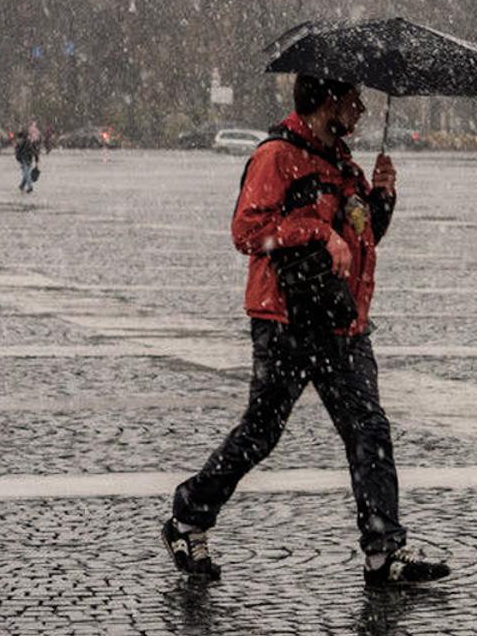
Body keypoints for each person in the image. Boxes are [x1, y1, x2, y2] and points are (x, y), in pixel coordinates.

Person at [162, 74, 449, 588]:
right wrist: (315, 230)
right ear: (326, 101)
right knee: (261, 433)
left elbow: (361, 238)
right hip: (286, 321)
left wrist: (381, 198)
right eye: (353, 99)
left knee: (370, 432)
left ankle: (383, 551)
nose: (361, 108)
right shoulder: (276, 155)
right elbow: (247, 232)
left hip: (342, 323)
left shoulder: (343, 164)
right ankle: (189, 516)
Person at [14, 123, 41, 193]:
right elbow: (33, 150)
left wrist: (18, 157)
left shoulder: (22, 142)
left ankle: (29, 186)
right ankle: (22, 185)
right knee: (26, 172)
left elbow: (18, 151)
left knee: (26, 173)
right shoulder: (28, 142)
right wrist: (36, 158)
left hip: (25, 159)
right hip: (27, 158)